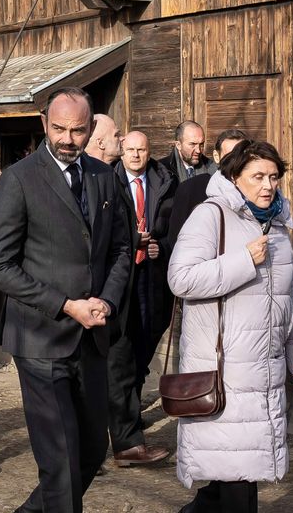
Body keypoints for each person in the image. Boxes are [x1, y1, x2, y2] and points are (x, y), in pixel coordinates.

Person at [0, 87, 132, 513]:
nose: (68, 138)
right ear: (44, 124)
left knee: (90, 453)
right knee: (60, 462)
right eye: (60, 128)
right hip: (40, 337)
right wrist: (66, 305)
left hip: (93, 337)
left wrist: (107, 299)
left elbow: (121, 248)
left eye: (79, 130)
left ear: (91, 128)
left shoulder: (104, 175)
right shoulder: (19, 179)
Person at [167, 139, 293, 512]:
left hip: (265, 372)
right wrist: (242, 260)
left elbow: (291, 303)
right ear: (234, 177)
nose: (268, 185)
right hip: (225, 371)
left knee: (237, 473)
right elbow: (181, 278)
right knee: (237, 476)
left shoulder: (278, 226)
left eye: (274, 177)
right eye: (258, 177)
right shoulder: (210, 215)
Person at [108, 129, 176, 467]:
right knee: (120, 359)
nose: (136, 155)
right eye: (130, 149)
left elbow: (176, 231)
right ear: (121, 150)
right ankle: (128, 442)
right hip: (120, 281)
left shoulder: (165, 182)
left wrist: (158, 246)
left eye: (142, 149)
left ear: (150, 151)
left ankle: (127, 418)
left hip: (152, 279)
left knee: (142, 352)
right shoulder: (107, 180)